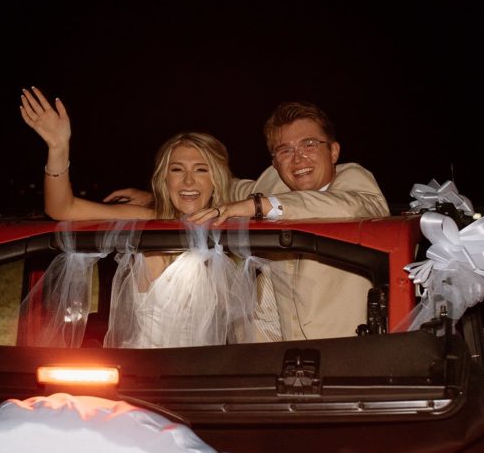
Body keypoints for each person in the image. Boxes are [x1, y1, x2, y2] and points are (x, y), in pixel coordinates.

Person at [105, 101, 391, 339]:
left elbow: (362, 206)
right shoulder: (269, 184)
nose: (298, 158)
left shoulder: (353, 179)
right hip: (273, 359)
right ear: (275, 161)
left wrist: (257, 206)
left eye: (310, 144)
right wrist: (152, 197)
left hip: (351, 352)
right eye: (285, 150)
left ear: (334, 151)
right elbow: (212, 187)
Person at [19, 86, 252, 349]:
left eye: (201, 170)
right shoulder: (146, 220)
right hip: (145, 375)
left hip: (202, 378)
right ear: (165, 178)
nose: (188, 180)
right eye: (177, 170)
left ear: (216, 179)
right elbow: (62, 209)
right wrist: (58, 147)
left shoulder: (234, 231)